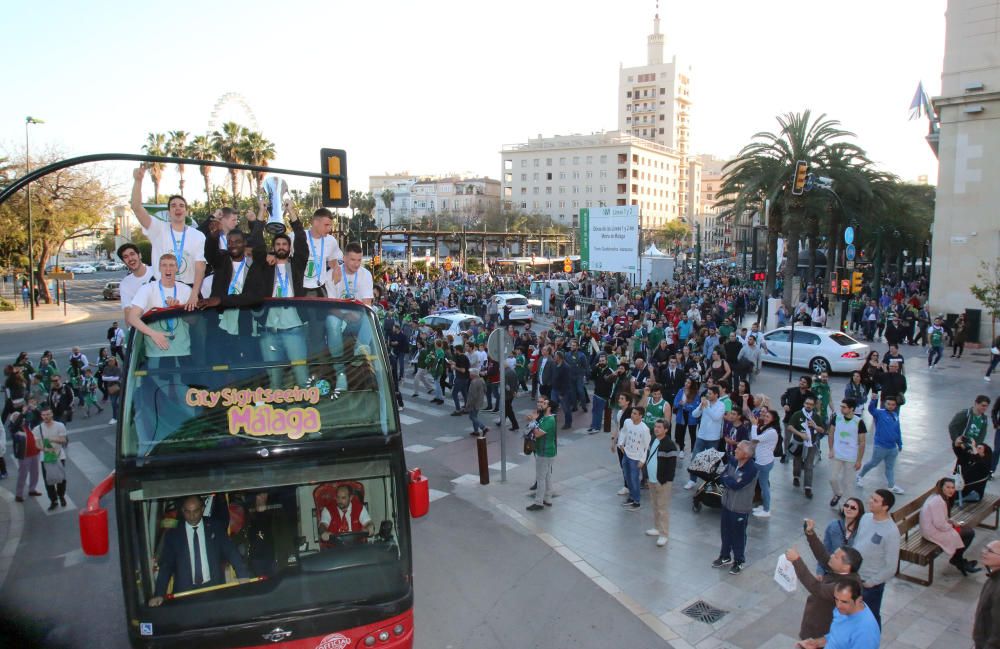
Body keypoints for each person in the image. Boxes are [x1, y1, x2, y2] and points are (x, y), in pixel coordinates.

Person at [149, 495, 250, 606]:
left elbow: (231, 552)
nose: (192, 516)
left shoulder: (215, 527)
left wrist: (242, 576)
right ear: (183, 511)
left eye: (195, 511)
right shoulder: (173, 535)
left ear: (202, 509)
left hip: (214, 590)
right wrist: (159, 594)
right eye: (187, 512)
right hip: (184, 594)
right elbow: (166, 565)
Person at [131, 167, 206, 308]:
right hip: (162, 287)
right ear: (169, 211)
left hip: (188, 288)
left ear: (186, 210)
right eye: (173, 206)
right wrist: (138, 181)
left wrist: (194, 294)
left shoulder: (198, 235)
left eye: (181, 206)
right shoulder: (158, 228)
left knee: (198, 328)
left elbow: (200, 266)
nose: (178, 208)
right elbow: (136, 207)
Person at [787, 521, 864, 641]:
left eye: (836, 556)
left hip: (820, 632)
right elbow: (823, 555)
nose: (831, 556)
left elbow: (816, 588)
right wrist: (810, 534)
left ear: (846, 567)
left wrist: (796, 560)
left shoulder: (846, 587)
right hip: (815, 623)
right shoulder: (843, 570)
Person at [853, 488, 901, 628]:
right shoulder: (865, 518)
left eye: (875, 501)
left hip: (870, 585)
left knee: (870, 618)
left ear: (885, 507)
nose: (870, 502)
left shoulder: (891, 531)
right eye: (871, 498)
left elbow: (891, 566)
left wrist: (871, 582)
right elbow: (858, 542)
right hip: (854, 577)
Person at [712, 440, 758, 575]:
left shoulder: (751, 469)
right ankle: (725, 556)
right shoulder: (733, 461)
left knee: (738, 535)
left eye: (738, 449)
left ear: (746, 455)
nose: (735, 450)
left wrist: (728, 479)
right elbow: (722, 476)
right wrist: (729, 480)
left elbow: (736, 485)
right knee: (725, 531)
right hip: (727, 504)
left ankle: (739, 560)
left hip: (740, 508)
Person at [920, 476, 982, 576]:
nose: (951, 490)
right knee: (969, 533)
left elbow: (941, 519)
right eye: (948, 487)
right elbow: (940, 524)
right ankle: (957, 560)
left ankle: (958, 559)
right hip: (932, 531)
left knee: (966, 530)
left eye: (953, 488)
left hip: (934, 527)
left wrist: (952, 522)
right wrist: (951, 526)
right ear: (941, 487)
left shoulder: (939, 497)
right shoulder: (937, 501)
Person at [795, 579, 880, 649]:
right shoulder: (843, 609)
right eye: (836, 599)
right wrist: (815, 643)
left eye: (844, 602)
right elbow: (836, 636)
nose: (838, 605)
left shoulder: (866, 632)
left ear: (859, 600)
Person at [856, 394, 904, 494]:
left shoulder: (895, 415)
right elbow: (871, 409)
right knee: (873, 463)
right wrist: (874, 399)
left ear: (895, 406)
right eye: (889, 404)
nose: (891, 406)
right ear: (885, 404)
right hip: (880, 446)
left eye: (893, 404)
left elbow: (897, 430)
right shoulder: (879, 413)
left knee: (890, 467)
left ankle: (891, 486)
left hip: (892, 448)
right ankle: (859, 476)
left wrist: (899, 443)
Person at [826, 399, 867, 508]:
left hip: (851, 457)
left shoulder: (859, 422)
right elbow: (831, 433)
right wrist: (831, 449)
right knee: (832, 478)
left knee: (848, 484)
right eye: (841, 406)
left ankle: (843, 507)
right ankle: (838, 493)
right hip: (837, 454)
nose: (841, 409)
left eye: (844, 407)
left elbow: (862, 442)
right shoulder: (837, 418)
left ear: (851, 409)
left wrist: (859, 460)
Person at [644, 419, 678, 547]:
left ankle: (664, 534)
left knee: (662, 508)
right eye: (655, 427)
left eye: (659, 427)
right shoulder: (653, 440)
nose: (656, 429)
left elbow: (672, 466)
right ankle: (657, 528)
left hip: (662, 482)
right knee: (654, 505)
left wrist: (665, 480)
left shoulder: (669, 445)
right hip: (652, 480)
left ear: (666, 430)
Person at [684, 386, 725, 490]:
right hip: (701, 436)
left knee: (710, 462)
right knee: (694, 458)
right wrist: (701, 407)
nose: (708, 395)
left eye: (710, 393)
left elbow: (716, 417)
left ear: (716, 395)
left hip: (713, 438)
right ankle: (692, 480)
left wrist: (706, 407)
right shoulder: (705, 403)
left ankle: (709, 482)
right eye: (708, 393)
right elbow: (694, 414)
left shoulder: (721, 405)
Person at [746, 406, 779, 519]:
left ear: (773, 419)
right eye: (764, 416)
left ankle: (766, 509)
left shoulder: (772, 431)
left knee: (764, 486)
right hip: (762, 460)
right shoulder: (767, 428)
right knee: (762, 484)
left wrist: (754, 424)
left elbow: (755, 438)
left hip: (764, 462)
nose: (765, 418)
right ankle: (764, 506)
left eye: (768, 417)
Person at [33, 406, 68, 511]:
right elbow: (37, 444)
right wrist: (45, 449)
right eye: (44, 415)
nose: (46, 417)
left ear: (52, 414)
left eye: (48, 414)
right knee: (49, 480)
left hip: (59, 456)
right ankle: (53, 500)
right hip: (46, 458)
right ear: (41, 416)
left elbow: (63, 440)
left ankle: (61, 496)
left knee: (61, 479)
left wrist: (50, 439)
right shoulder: (37, 429)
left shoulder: (60, 426)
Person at [819, 497, 865, 575]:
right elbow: (825, 549)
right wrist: (820, 571)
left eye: (853, 508)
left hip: (849, 575)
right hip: (831, 571)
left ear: (859, 512)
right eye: (846, 505)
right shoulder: (833, 526)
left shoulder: (862, 531)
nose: (849, 509)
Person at [787, 395, 822, 499]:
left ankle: (808, 488)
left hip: (811, 444)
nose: (808, 406)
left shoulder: (816, 417)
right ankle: (796, 476)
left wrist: (815, 426)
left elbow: (823, 430)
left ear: (814, 406)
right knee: (797, 462)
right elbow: (789, 426)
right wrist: (800, 434)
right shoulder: (797, 414)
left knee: (809, 466)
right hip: (798, 443)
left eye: (811, 404)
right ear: (804, 404)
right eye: (807, 403)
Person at [526, 396, 557, 511]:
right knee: (547, 476)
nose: (541, 404)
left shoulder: (550, 420)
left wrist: (533, 422)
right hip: (546, 451)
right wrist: (533, 421)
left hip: (544, 453)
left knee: (541, 478)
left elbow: (538, 434)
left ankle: (538, 502)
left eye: (544, 403)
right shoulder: (545, 418)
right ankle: (548, 499)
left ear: (549, 407)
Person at [618, 406, 651, 511]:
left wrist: (642, 460)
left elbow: (647, 446)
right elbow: (623, 432)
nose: (632, 415)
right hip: (626, 455)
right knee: (627, 477)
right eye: (632, 413)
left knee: (634, 479)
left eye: (635, 413)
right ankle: (631, 497)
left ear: (641, 416)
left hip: (636, 459)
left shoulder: (644, 429)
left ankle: (637, 502)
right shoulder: (627, 422)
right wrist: (621, 444)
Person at [117, 242, 155, 323]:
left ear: (139, 255)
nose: (130, 259)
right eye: (126, 257)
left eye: (132, 254)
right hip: (146, 325)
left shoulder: (156, 271)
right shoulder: (125, 284)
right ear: (124, 261)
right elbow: (128, 312)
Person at [780, 376, 815, 463]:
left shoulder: (810, 395)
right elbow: (783, 397)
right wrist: (784, 405)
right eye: (801, 381)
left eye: (804, 382)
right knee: (787, 438)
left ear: (808, 385)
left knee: (801, 439)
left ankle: (801, 457)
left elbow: (814, 404)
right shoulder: (791, 390)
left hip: (802, 421)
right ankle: (786, 454)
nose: (802, 383)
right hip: (789, 418)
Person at [973, 539, 1000, 649]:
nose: (984, 552)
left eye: (990, 551)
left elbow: (998, 629)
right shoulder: (993, 577)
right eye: (985, 548)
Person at [465, 368, 488, 437]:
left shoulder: (474, 382)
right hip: (480, 401)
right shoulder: (482, 380)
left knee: (472, 417)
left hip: (474, 403)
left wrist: (468, 405)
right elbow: (485, 390)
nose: (469, 375)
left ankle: (483, 427)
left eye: (470, 374)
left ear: (473, 375)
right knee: (475, 416)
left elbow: (472, 396)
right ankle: (476, 431)